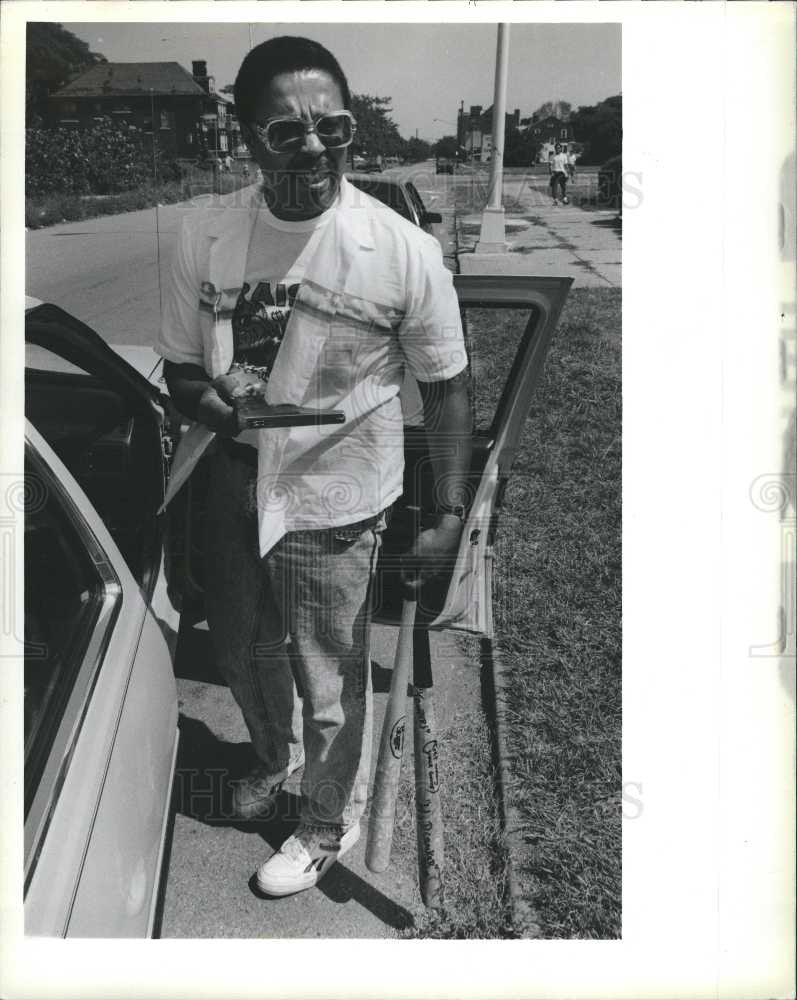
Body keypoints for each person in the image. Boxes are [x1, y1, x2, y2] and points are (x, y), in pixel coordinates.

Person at [156, 36, 471, 897]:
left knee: (326, 672)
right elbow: (182, 368)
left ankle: (328, 819)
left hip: (338, 493)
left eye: (332, 128)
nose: (315, 149)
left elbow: (446, 391)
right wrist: (224, 412)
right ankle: (271, 757)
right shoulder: (207, 235)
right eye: (286, 132)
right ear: (245, 134)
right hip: (229, 479)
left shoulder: (400, 250)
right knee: (244, 651)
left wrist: (447, 517)